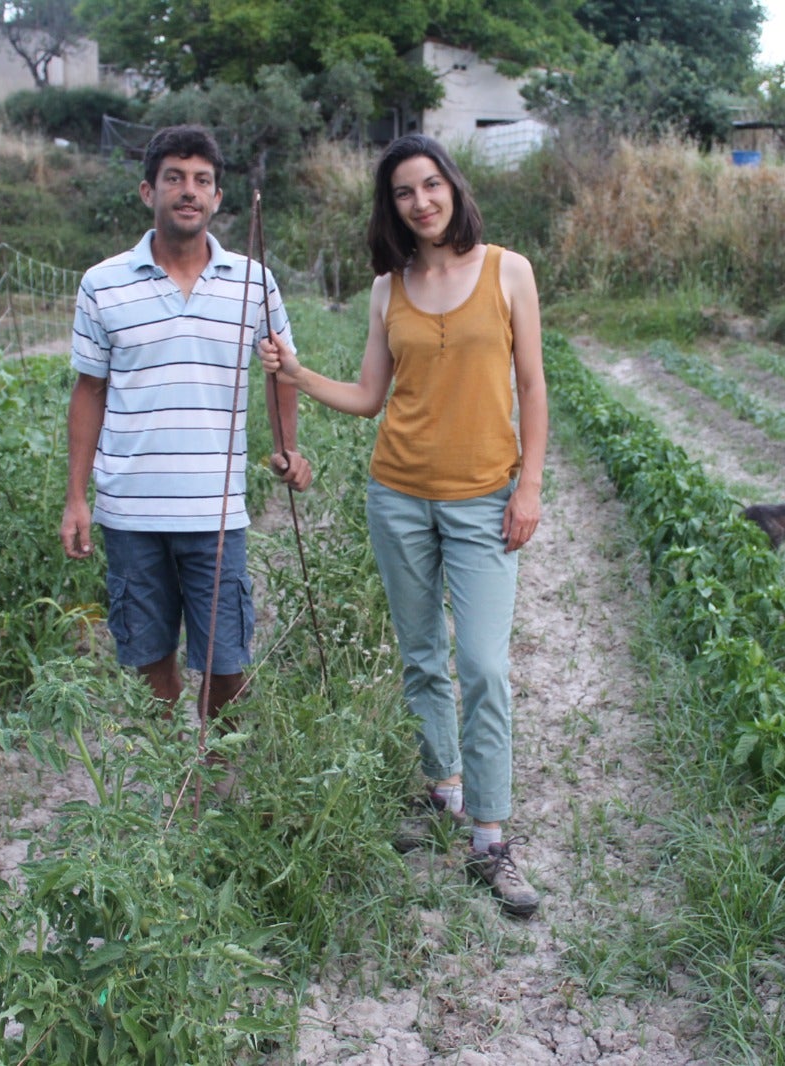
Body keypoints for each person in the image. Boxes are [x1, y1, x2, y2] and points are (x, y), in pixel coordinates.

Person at [258, 134, 547, 918]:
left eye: (430, 185)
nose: (421, 202)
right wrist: (295, 373)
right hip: (398, 495)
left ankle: (491, 838)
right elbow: (368, 398)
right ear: (391, 207)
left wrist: (528, 487)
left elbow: (531, 384)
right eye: (403, 193)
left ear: (453, 186)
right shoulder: (390, 287)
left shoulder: (508, 270)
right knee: (421, 656)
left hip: (485, 497)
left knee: (483, 665)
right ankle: (443, 791)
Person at [60, 123, 311, 744]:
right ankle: (172, 767)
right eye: (174, 178)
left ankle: (220, 769)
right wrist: (76, 498)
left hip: (214, 509)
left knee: (226, 660)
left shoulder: (252, 281)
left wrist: (286, 447)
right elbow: (89, 390)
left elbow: (281, 368)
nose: (188, 191)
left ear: (218, 197)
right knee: (148, 656)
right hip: (130, 509)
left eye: (202, 180)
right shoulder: (103, 283)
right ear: (149, 191)